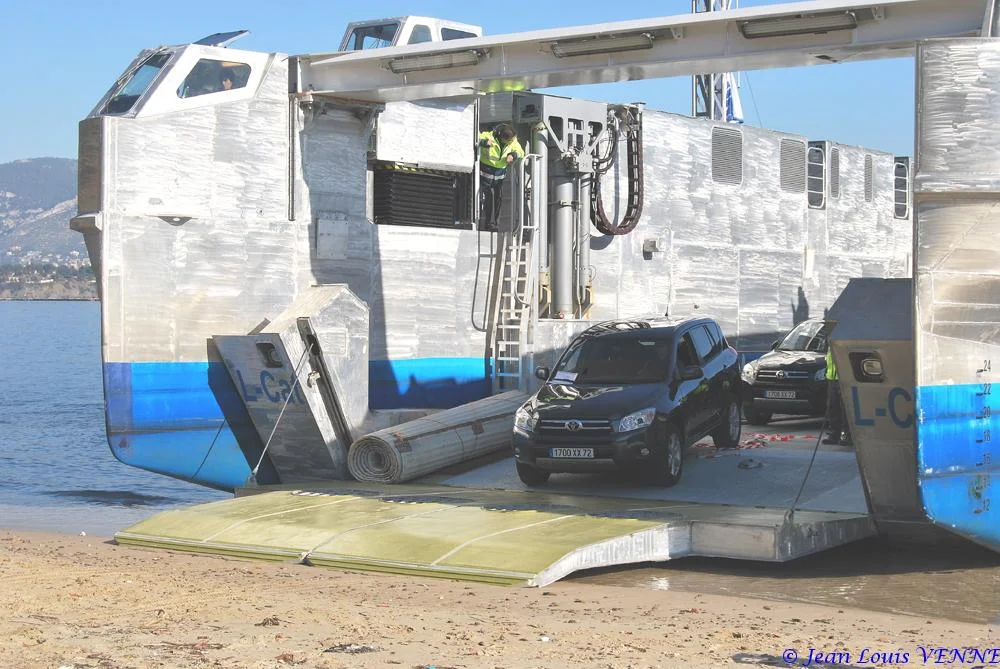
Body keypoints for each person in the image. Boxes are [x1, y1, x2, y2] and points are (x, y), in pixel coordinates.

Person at [478, 123, 525, 231]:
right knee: (489, 196)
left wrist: (513, 155)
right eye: (509, 141)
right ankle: (488, 223)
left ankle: (494, 223)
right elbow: (475, 140)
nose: (511, 142)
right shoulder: (488, 136)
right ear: (502, 138)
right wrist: (484, 143)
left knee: (498, 197)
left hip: (499, 175)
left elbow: (520, 152)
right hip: (486, 172)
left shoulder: (512, 141)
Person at [822, 344, 851, 446]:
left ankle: (848, 435)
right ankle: (834, 435)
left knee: (846, 408)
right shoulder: (830, 342)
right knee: (832, 406)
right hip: (832, 378)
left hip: (844, 378)